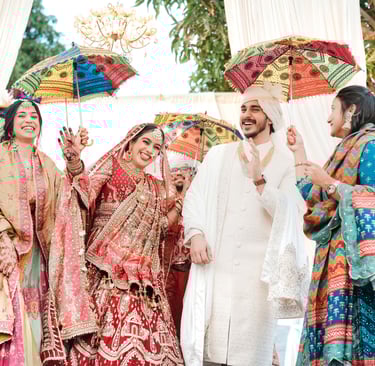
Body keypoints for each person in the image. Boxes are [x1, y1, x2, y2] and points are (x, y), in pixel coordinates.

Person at [181, 82, 309, 366]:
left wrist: (259, 180)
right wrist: (196, 234)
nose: (247, 115)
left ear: (271, 117)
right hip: (215, 271)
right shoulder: (219, 155)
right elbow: (194, 198)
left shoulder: (287, 164)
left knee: (250, 356)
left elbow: (292, 213)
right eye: (243, 108)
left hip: (257, 284)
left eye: (255, 108)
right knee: (208, 354)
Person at [48, 123, 184, 365]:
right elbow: (82, 191)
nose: (150, 150)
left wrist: (182, 205)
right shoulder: (112, 167)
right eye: (145, 142)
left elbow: (160, 227)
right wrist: (74, 163)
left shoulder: (154, 186)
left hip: (143, 282)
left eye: (156, 147)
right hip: (103, 274)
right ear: (130, 143)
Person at [287, 85, 375, 365]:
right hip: (330, 262)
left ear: (352, 110)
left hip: (355, 267)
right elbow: (314, 200)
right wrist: (298, 152)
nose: (327, 118)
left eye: (332, 109)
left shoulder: (370, 146)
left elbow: (371, 198)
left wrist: (330, 183)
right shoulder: (343, 151)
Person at [0, 99, 76, 365]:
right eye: (22, 115)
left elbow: (70, 199)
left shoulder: (46, 163)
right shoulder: (0, 157)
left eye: (34, 116)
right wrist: (3, 238)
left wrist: (74, 161)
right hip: (7, 248)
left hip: (38, 253)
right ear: (10, 125)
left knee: (34, 311)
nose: (29, 119)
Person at [163, 162, 194, 337]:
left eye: (182, 174)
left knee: (185, 313)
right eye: (174, 174)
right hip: (166, 267)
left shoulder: (196, 198)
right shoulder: (165, 198)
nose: (177, 177)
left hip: (187, 268)